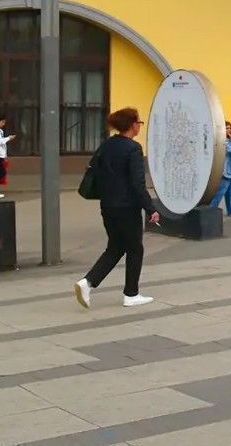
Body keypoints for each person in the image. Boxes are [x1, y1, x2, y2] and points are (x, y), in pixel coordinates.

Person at [74, 107, 160, 309]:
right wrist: (151, 208)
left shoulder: (106, 145)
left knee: (115, 247)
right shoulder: (133, 149)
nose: (139, 126)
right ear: (132, 125)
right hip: (127, 207)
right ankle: (131, 294)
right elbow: (137, 184)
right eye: (139, 122)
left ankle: (87, 282)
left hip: (108, 206)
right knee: (135, 249)